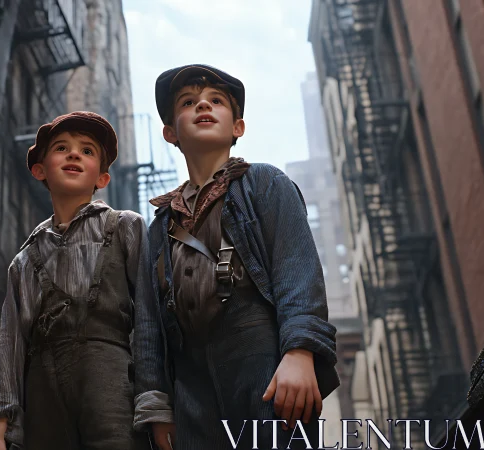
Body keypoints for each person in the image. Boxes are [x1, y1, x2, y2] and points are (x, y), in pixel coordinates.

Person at [144, 64, 340, 449]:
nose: (203, 104)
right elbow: (148, 324)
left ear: (238, 127)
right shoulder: (159, 227)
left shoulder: (265, 183)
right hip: (189, 386)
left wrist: (300, 351)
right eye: (188, 102)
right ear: (170, 133)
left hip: (263, 362)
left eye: (216, 101)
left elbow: (296, 271)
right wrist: (157, 403)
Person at [0, 111, 170, 450]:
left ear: (102, 178)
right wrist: (1, 426)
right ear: (40, 170)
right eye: (61, 148)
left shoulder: (125, 227)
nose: (74, 154)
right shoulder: (23, 261)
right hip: (44, 398)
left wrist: (154, 403)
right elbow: (11, 345)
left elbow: (148, 318)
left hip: (112, 388)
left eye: (87, 151)